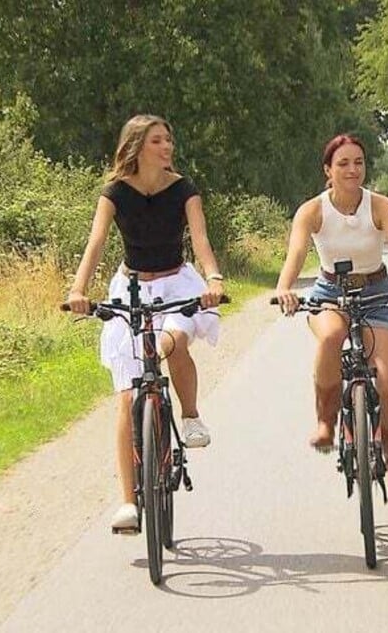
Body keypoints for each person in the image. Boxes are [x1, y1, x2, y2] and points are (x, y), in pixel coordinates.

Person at [66, 114, 225, 531]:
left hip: (177, 285)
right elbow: (96, 242)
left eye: (169, 140)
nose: (167, 147)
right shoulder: (115, 192)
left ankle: (189, 416)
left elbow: (201, 239)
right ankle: (128, 504)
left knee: (173, 340)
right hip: (131, 288)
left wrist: (214, 278)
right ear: (137, 147)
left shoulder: (184, 189)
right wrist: (78, 290)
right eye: (157, 140)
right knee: (125, 397)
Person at [274, 134, 388, 507]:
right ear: (327, 171)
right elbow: (296, 254)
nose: (352, 170)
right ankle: (326, 423)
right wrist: (284, 289)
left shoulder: (380, 205)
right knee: (331, 337)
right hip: (329, 292)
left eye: (359, 162)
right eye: (343, 163)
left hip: (377, 293)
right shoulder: (312, 210)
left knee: (386, 383)